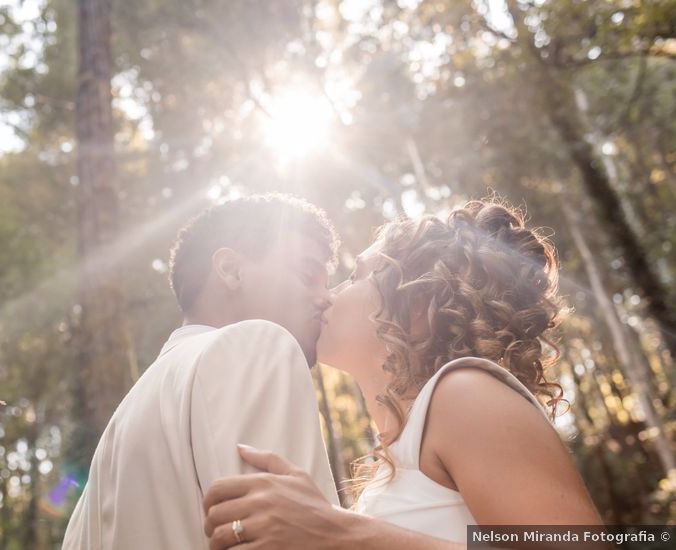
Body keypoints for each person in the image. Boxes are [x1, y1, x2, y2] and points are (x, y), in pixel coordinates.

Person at [202, 198, 604, 549]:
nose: (327, 296)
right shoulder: (397, 461)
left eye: (356, 276)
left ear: (417, 303)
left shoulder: (465, 394)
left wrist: (344, 534)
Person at [62, 194, 342, 549]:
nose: (326, 298)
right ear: (230, 269)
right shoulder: (258, 348)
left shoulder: (118, 431)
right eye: (307, 274)